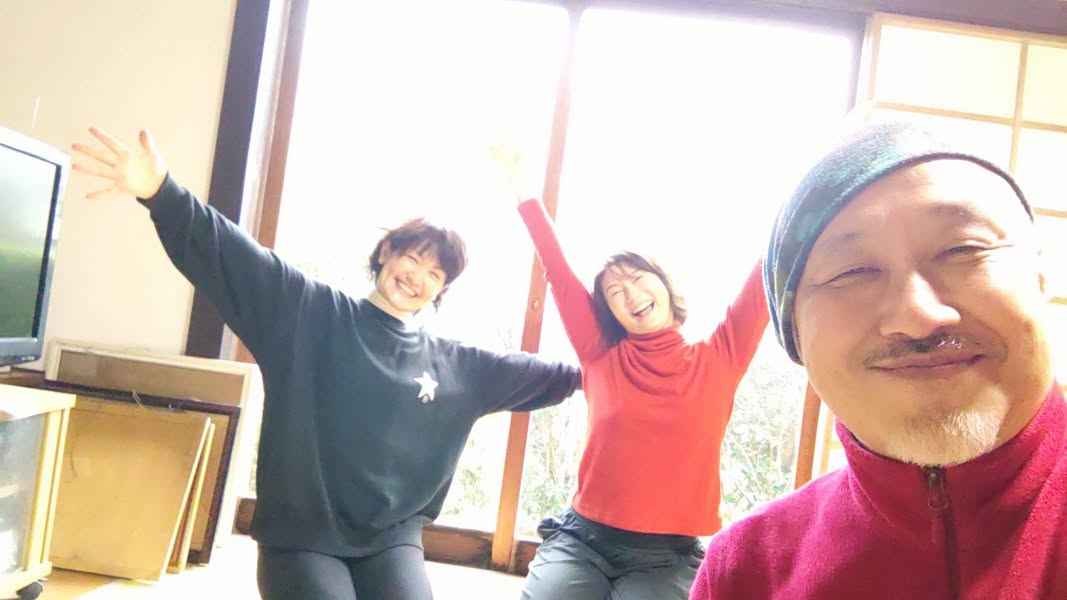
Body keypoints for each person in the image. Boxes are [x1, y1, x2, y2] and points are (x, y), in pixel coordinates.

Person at [71, 127, 582, 600]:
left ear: (441, 290)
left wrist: (614, 359)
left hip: (389, 541)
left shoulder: (457, 366)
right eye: (412, 258)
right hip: (300, 534)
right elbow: (237, 258)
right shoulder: (311, 313)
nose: (417, 276)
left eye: (435, 273)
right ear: (386, 253)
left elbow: (562, 374)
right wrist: (160, 192)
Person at [689, 122, 1067, 599]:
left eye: (963, 249)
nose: (918, 316)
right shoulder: (746, 572)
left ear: (1041, 278)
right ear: (795, 336)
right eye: (853, 272)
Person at [514, 196, 769, 599]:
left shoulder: (721, 356)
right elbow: (557, 269)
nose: (630, 294)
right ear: (609, 312)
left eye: (637, 278)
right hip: (584, 541)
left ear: (663, 283)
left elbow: (763, 279)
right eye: (615, 291)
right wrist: (525, 195)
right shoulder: (599, 355)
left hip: (667, 557)